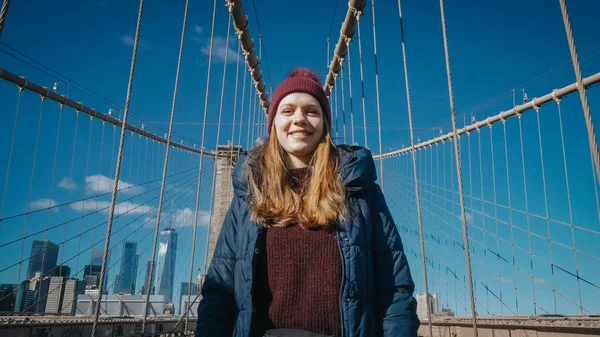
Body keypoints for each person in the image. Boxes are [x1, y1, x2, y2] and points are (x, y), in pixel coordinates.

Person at [196, 68, 419, 337]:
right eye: (287, 111)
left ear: (325, 123)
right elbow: (219, 292)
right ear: (273, 124)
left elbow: (394, 288)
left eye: (311, 111)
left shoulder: (362, 192)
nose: (299, 119)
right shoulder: (248, 195)